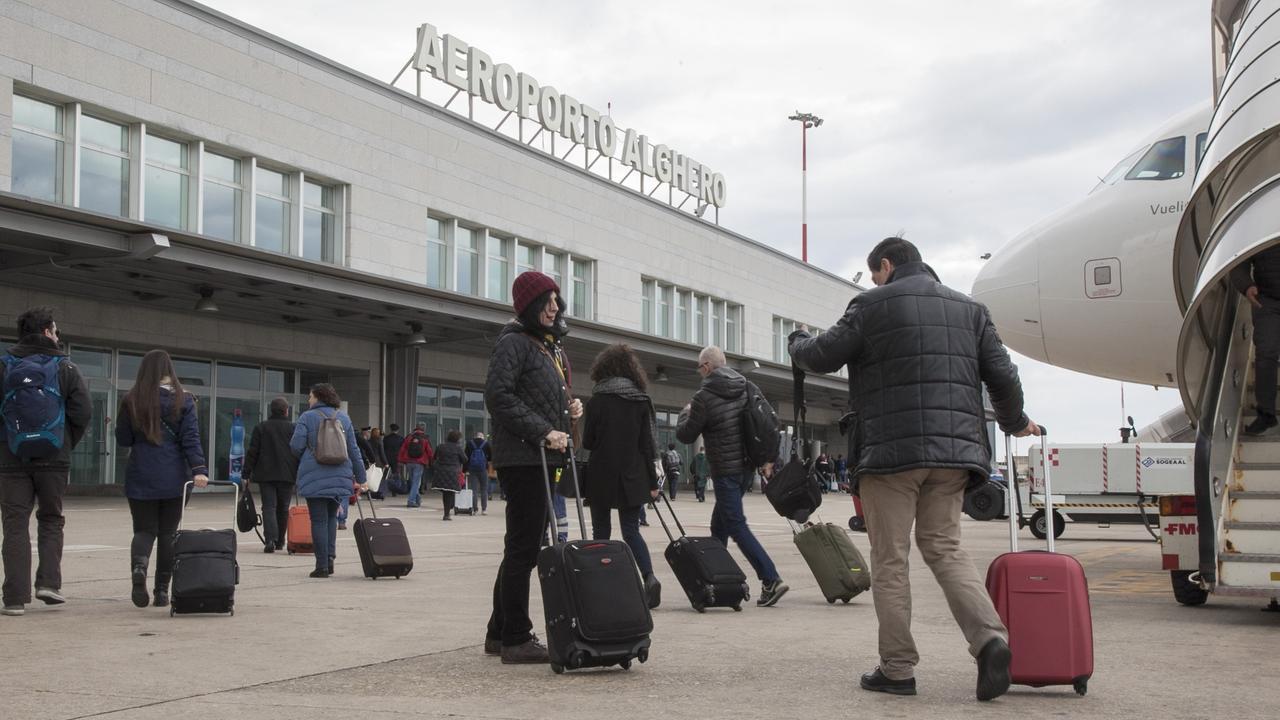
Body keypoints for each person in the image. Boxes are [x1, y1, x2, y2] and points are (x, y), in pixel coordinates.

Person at [788, 236, 1038, 701]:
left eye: (877, 273)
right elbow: (1004, 377)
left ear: (885, 265)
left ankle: (898, 669)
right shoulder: (971, 310)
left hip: (890, 457)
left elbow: (822, 355)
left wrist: (798, 340)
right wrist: (1015, 421)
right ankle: (990, 640)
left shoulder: (871, 304)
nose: (877, 281)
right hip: (955, 457)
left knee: (890, 559)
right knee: (945, 549)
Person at [484, 271, 583, 664]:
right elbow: (499, 397)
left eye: (557, 300)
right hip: (525, 459)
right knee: (524, 550)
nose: (554, 307)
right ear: (529, 305)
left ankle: (498, 632)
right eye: (547, 301)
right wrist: (545, 431)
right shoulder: (514, 343)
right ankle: (516, 637)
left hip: (541, 457)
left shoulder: (548, 346)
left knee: (520, 548)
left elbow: (539, 395)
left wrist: (571, 409)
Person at [676, 345, 789, 608]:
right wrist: (767, 460)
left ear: (706, 367)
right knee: (720, 526)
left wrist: (685, 412)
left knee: (736, 525)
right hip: (745, 470)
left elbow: (685, 435)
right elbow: (767, 422)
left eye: (699, 367)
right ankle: (717, 579)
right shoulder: (748, 386)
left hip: (726, 471)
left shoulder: (703, 396)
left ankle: (771, 578)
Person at [0, 307, 91, 616]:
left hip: (11, 459)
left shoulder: (3, 365)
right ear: (48, 332)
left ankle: (14, 598)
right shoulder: (65, 367)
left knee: (14, 525)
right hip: (54, 458)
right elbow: (83, 413)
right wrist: (64, 444)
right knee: (51, 519)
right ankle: (48, 584)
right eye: (56, 330)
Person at [115, 349, 209, 609]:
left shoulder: (131, 399)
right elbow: (190, 438)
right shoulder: (184, 399)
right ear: (170, 369)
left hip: (140, 473)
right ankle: (161, 592)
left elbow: (123, 439)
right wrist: (199, 469)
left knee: (144, 530)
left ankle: (139, 569)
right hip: (174, 476)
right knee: (168, 533)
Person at [582, 344, 663, 609]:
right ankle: (649, 578)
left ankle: (602, 584)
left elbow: (589, 441)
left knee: (600, 531)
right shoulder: (640, 400)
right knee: (631, 530)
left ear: (602, 369)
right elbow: (648, 445)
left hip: (601, 474)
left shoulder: (596, 400)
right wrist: (653, 482)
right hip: (633, 474)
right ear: (631, 370)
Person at [290, 383, 366, 578]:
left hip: (314, 473)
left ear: (318, 397)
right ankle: (330, 559)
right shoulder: (343, 418)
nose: (308, 400)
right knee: (332, 517)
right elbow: (353, 449)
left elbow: (295, 446)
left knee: (318, 520)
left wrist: (308, 453)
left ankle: (321, 565)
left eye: (310, 396)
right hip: (340, 474)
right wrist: (362, 477)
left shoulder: (307, 417)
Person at [1233, 246, 1280, 434]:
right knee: (1266, 354)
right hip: (1266, 300)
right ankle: (1266, 415)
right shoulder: (1258, 221)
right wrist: (1246, 285)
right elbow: (1238, 261)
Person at [243, 397, 299, 553]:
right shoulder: (293, 428)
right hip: (287, 474)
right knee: (283, 508)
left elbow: (252, 452)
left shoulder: (261, 427)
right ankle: (280, 540)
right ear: (286, 410)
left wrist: (246, 473)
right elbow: (298, 451)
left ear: (271, 410)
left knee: (268, 507)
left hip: (266, 474)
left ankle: (270, 540)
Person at [431, 429, 468, 520]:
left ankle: (447, 512)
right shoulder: (458, 448)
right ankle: (448, 511)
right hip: (453, 472)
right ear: (457, 439)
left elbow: (434, 457)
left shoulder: (440, 446)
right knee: (450, 492)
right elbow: (465, 459)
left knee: (446, 492)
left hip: (441, 472)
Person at [397, 424, 434, 509]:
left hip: (409, 462)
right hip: (419, 463)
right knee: (416, 483)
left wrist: (400, 460)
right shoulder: (425, 438)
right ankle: (411, 501)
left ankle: (417, 499)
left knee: (413, 482)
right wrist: (431, 462)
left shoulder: (409, 438)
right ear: (423, 430)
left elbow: (402, 449)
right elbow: (429, 452)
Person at [466, 432, 492, 514]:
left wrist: (465, 470)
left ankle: (475, 509)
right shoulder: (486, 443)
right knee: (484, 489)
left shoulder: (470, 443)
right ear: (482, 437)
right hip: (483, 469)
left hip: (472, 469)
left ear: (475, 436)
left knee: (474, 490)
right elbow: (491, 456)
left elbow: (466, 457)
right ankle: (484, 509)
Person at [382, 423, 404, 496]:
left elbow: (383, 448)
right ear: (398, 430)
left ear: (390, 429)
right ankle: (395, 490)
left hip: (387, 458)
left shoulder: (386, 438)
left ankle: (384, 490)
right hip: (396, 458)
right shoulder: (401, 438)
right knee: (396, 474)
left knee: (385, 475)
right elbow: (402, 449)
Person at [368, 426, 388, 499]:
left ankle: (371, 493)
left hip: (370, 461)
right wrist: (386, 463)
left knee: (371, 477)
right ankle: (378, 493)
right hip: (378, 461)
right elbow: (382, 453)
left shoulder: (369, 441)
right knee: (379, 477)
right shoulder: (379, 441)